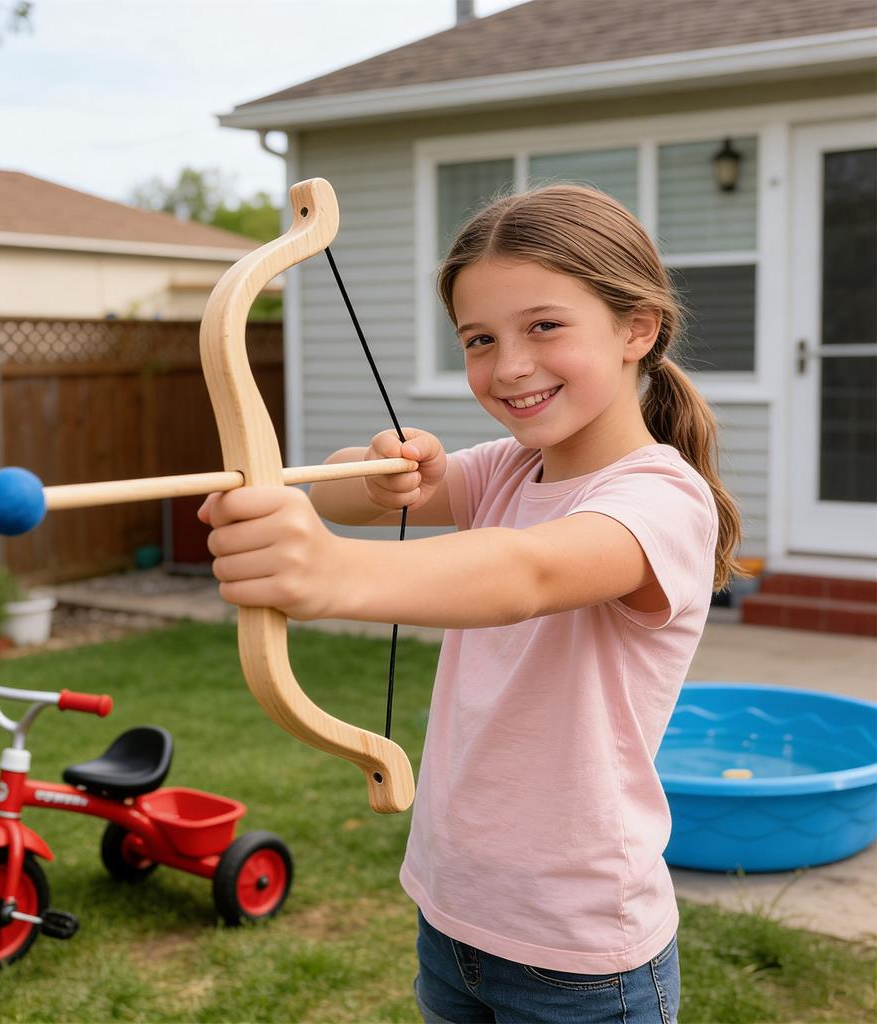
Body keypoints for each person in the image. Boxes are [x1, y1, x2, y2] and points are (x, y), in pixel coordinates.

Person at [198, 184, 745, 1023]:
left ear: (637, 328)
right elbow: (347, 492)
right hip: (456, 913)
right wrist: (379, 473)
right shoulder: (506, 468)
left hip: (581, 949)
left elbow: (525, 573)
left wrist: (333, 577)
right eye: (479, 339)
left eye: (544, 326)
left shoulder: (662, 497)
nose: (509, 366)